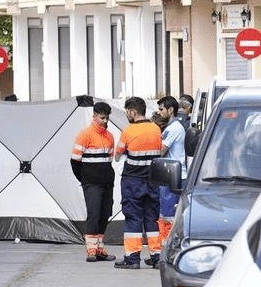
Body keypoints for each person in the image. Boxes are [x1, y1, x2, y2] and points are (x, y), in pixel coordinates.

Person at [114, 96, 163, 269]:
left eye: (127, 111)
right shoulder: (156, 129)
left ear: (133, 112)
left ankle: (132, 259)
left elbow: (117, 154)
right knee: (152, 219)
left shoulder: (128, 131)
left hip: (132, 182)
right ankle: (156, 257)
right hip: (153, 181)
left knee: (133, 218)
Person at [71, 102, 117, 262]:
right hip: (92, 183)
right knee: (94, 214)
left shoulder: (110, 136)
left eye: (106, 118)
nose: (105, 121)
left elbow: (109, 160)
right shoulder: (85, 135)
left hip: (106, 182)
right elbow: (75, 161)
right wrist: (85, 179)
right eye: (102, 118)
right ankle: (91, 250)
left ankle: (99, 248)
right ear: (94, 116)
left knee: (104, 214)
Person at [156, 96, 187, 257]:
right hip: (172, 175)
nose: (159, 112)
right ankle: (166, 251)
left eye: (162, 109)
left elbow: (160, 151)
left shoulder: (173, 128)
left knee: (168, 215)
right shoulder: (172, 127)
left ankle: (167, 253)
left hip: (173, 176)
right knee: (167, 215)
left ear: (171, 110)